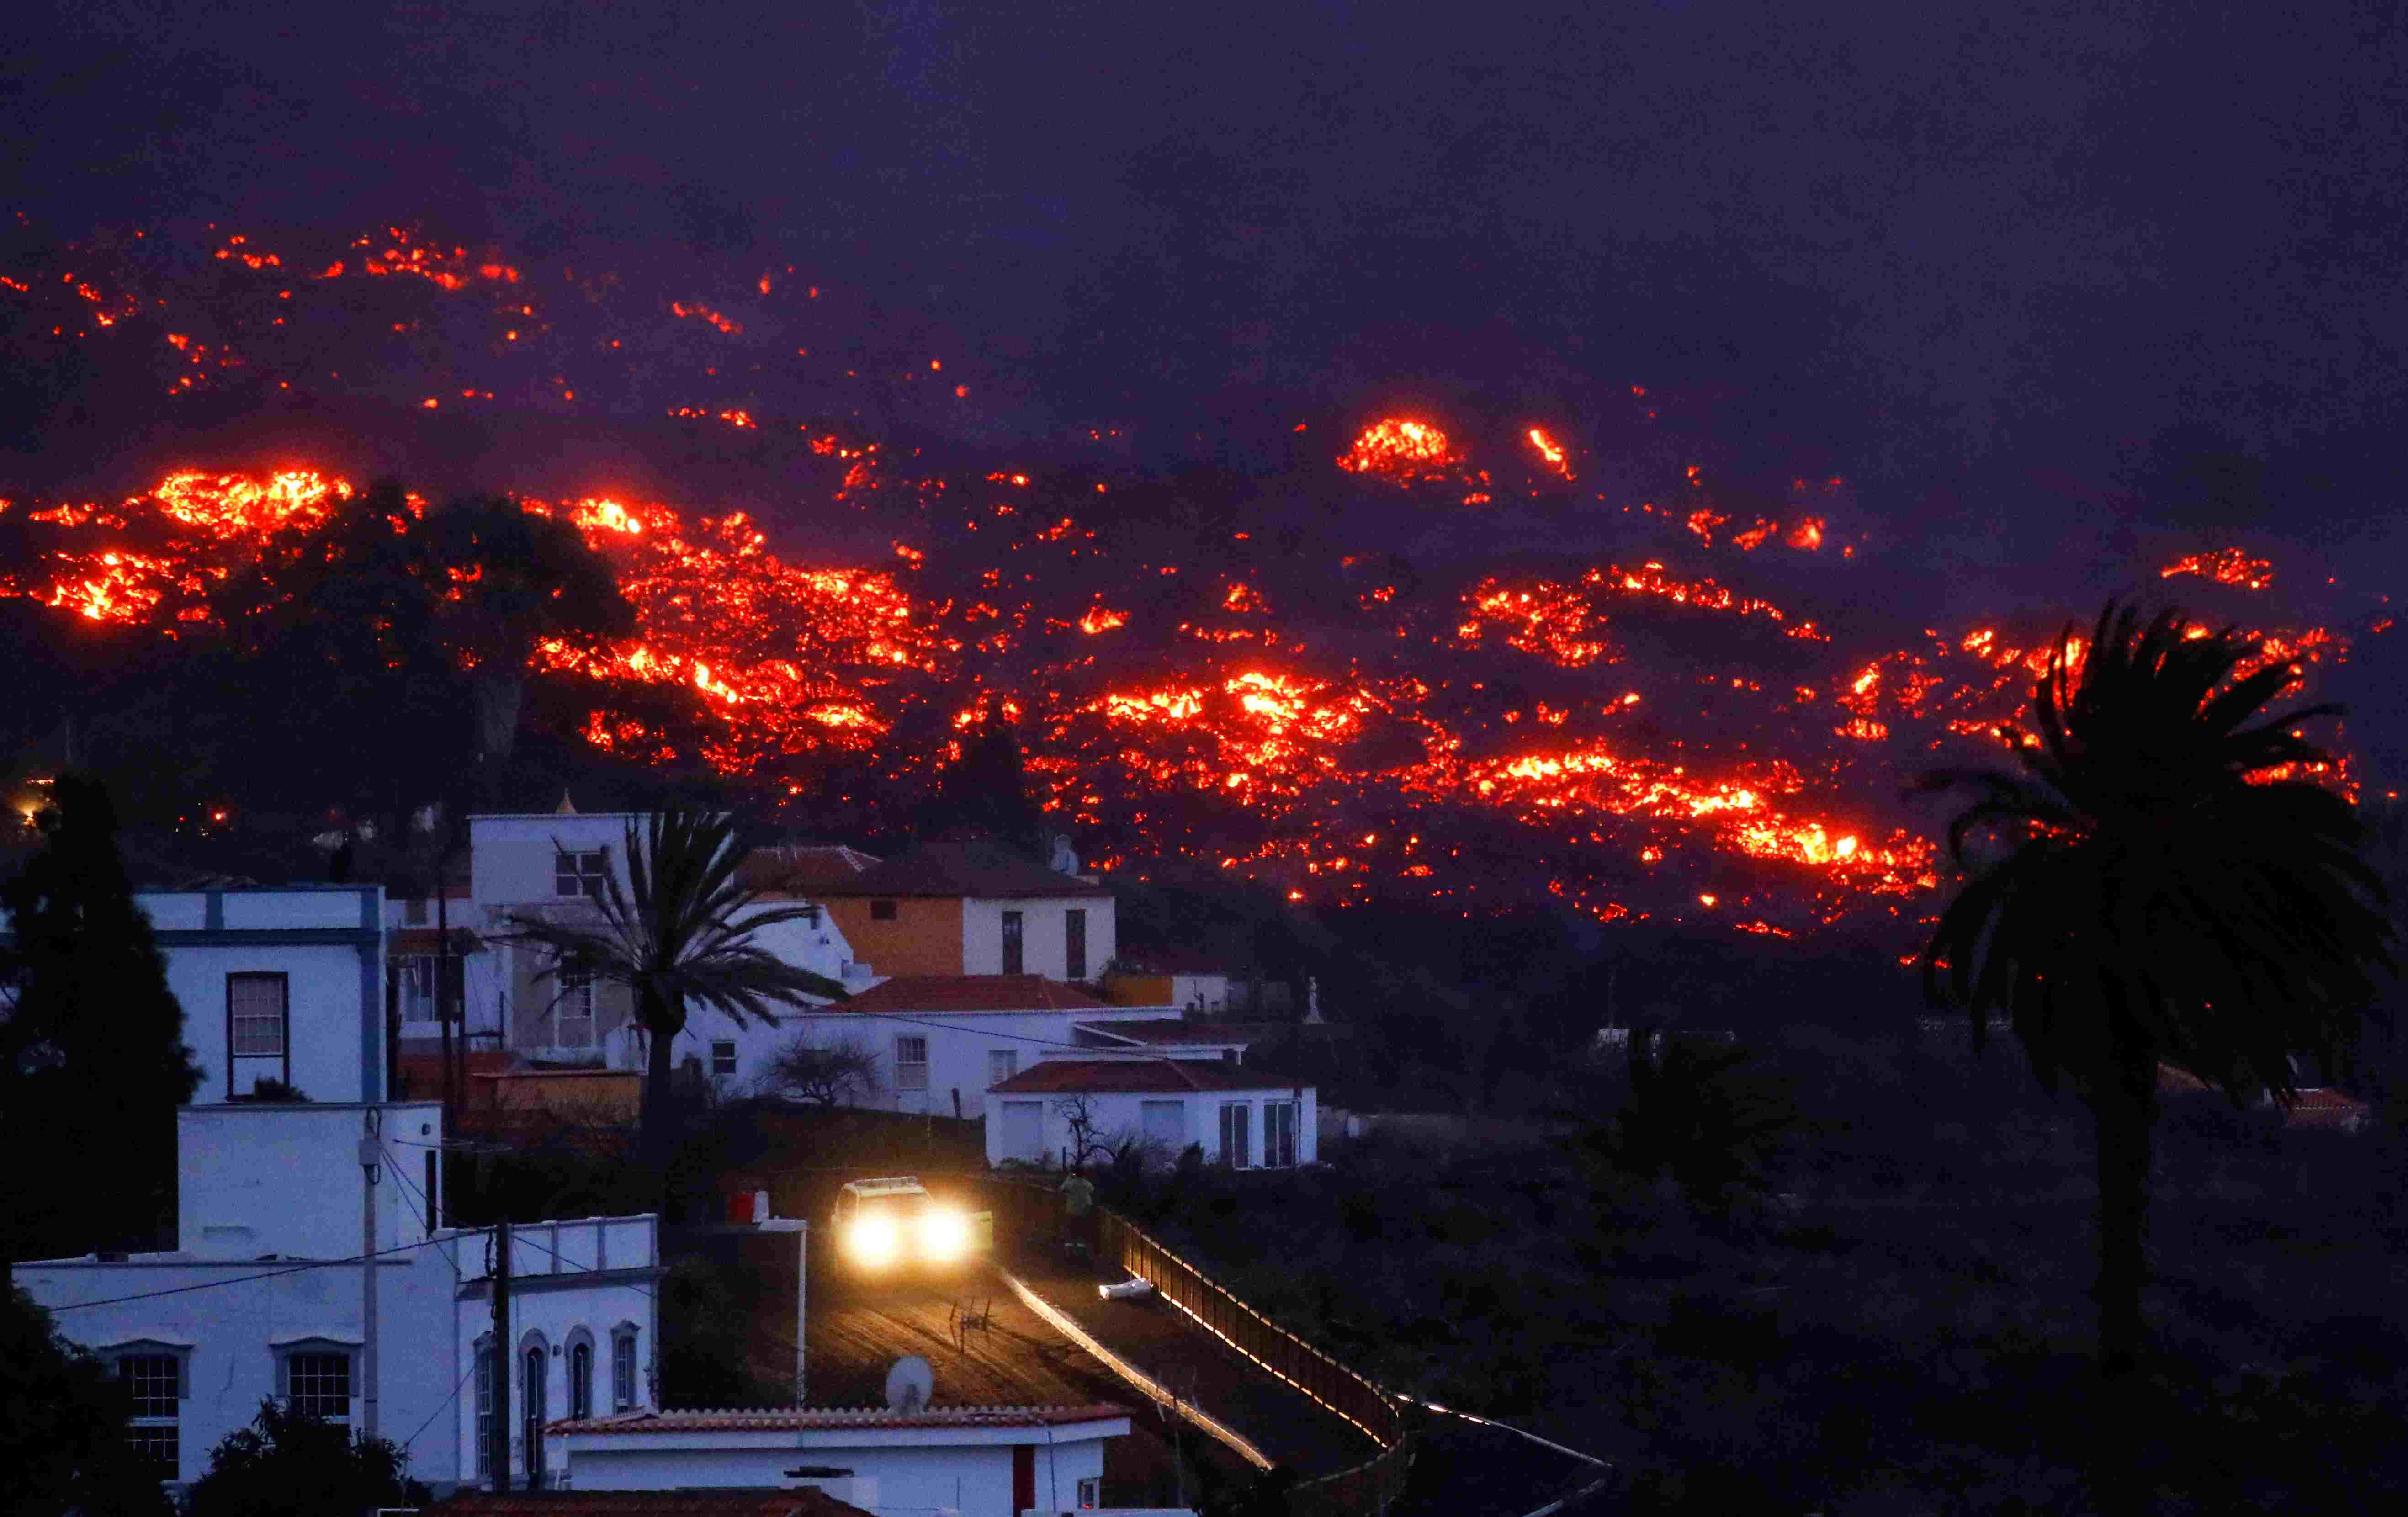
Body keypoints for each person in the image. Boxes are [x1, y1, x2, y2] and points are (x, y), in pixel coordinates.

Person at [1058, 1166, 1095, 1258]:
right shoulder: (1087, 1184)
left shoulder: (1071, 1184)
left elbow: (1062, 1189)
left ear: (1075, 1174)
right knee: (1081, 1233)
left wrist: (1069, 1177)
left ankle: (1069, 1253)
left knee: (1070, 1233)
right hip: (1084, 1212)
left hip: (1071, 1212)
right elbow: (1092, 1190)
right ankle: (1080, 1253)